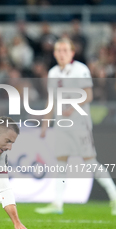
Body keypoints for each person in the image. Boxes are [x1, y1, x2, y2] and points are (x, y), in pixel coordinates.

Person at [35, 38, 116, 215]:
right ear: (54, 53)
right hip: (61, 125)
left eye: (65, 50)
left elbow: (88, 95)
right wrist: (45, 124)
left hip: (79, 124)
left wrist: (72, 107)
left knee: (90, 161)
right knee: (61, 163)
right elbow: (52, 100)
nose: (61, 53)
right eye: (58, 50)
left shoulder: (81, 70)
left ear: (72, 52)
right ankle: (57, 203)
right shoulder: (54, 72)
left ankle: (114, 196)